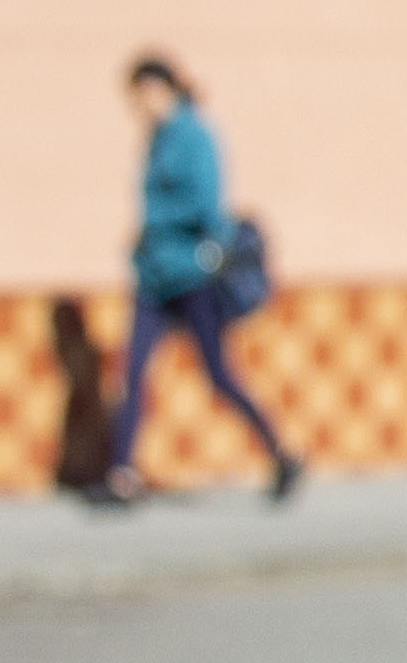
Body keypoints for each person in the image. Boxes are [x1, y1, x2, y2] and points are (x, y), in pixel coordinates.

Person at [95, 54, 299, 507]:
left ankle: (282, 455)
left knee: (219, 375)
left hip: (193, 276)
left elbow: (207, 208)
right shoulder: (156, 139)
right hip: (154, 280)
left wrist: (160, 226)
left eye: (142, 94)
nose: (137, 105)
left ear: (162, 89)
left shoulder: (196, 136)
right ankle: (122, 473)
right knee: (133, 371)